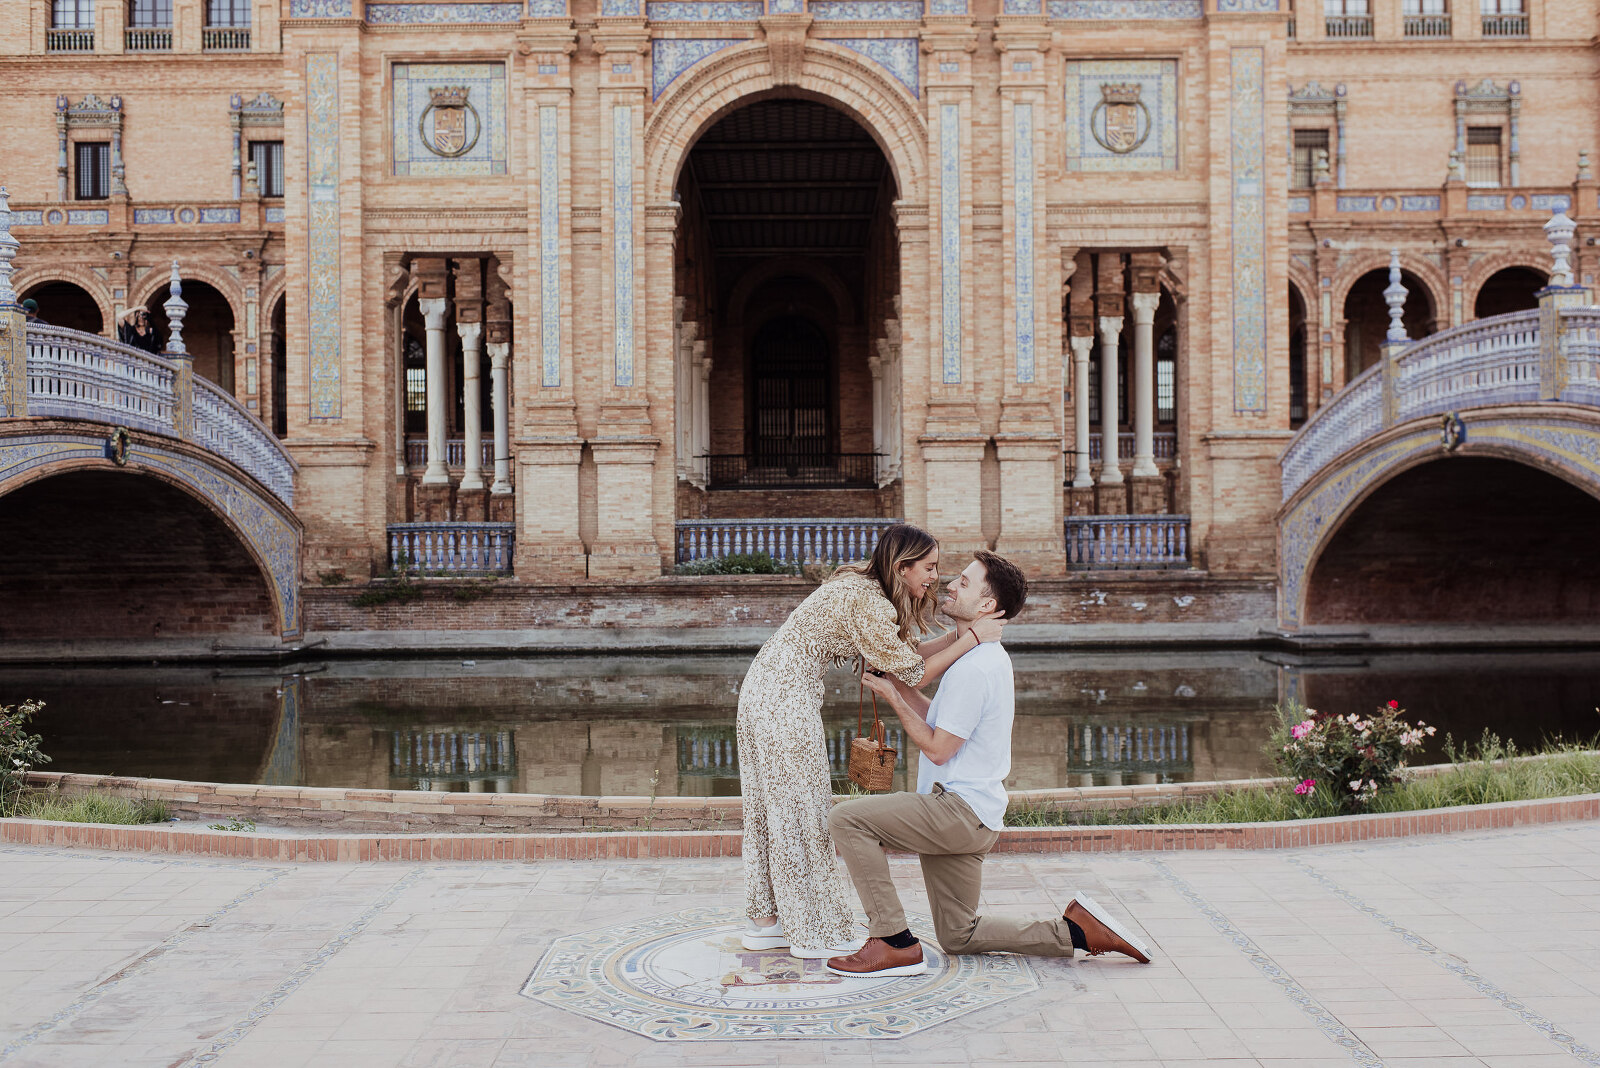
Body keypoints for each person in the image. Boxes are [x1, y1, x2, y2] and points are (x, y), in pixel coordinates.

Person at [826, 550, 1152, 977]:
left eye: (963, 582)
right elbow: (941, 723)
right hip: (977, 815)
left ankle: (892, 940)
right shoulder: (978, 657)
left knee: (846, 819)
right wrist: (897, 686)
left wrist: (890, 697)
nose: (949, 585)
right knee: (959, 934)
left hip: (956, 810)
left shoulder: (976, 668)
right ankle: (1076, 932)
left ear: (985, 606)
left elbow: (939, 750)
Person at [738, 524, 1005, 960]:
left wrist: (962, 636)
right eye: (930, 567)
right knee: (802, 809)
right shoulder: (869, 602)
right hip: (785, 697)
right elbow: (915, 674)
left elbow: (905, 653)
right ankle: (812, 932)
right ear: (902, 567)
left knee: (771, 808)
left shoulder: (862, 590)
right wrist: (974, 638)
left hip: (764, 691)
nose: (935, 577)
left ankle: (765, 922)